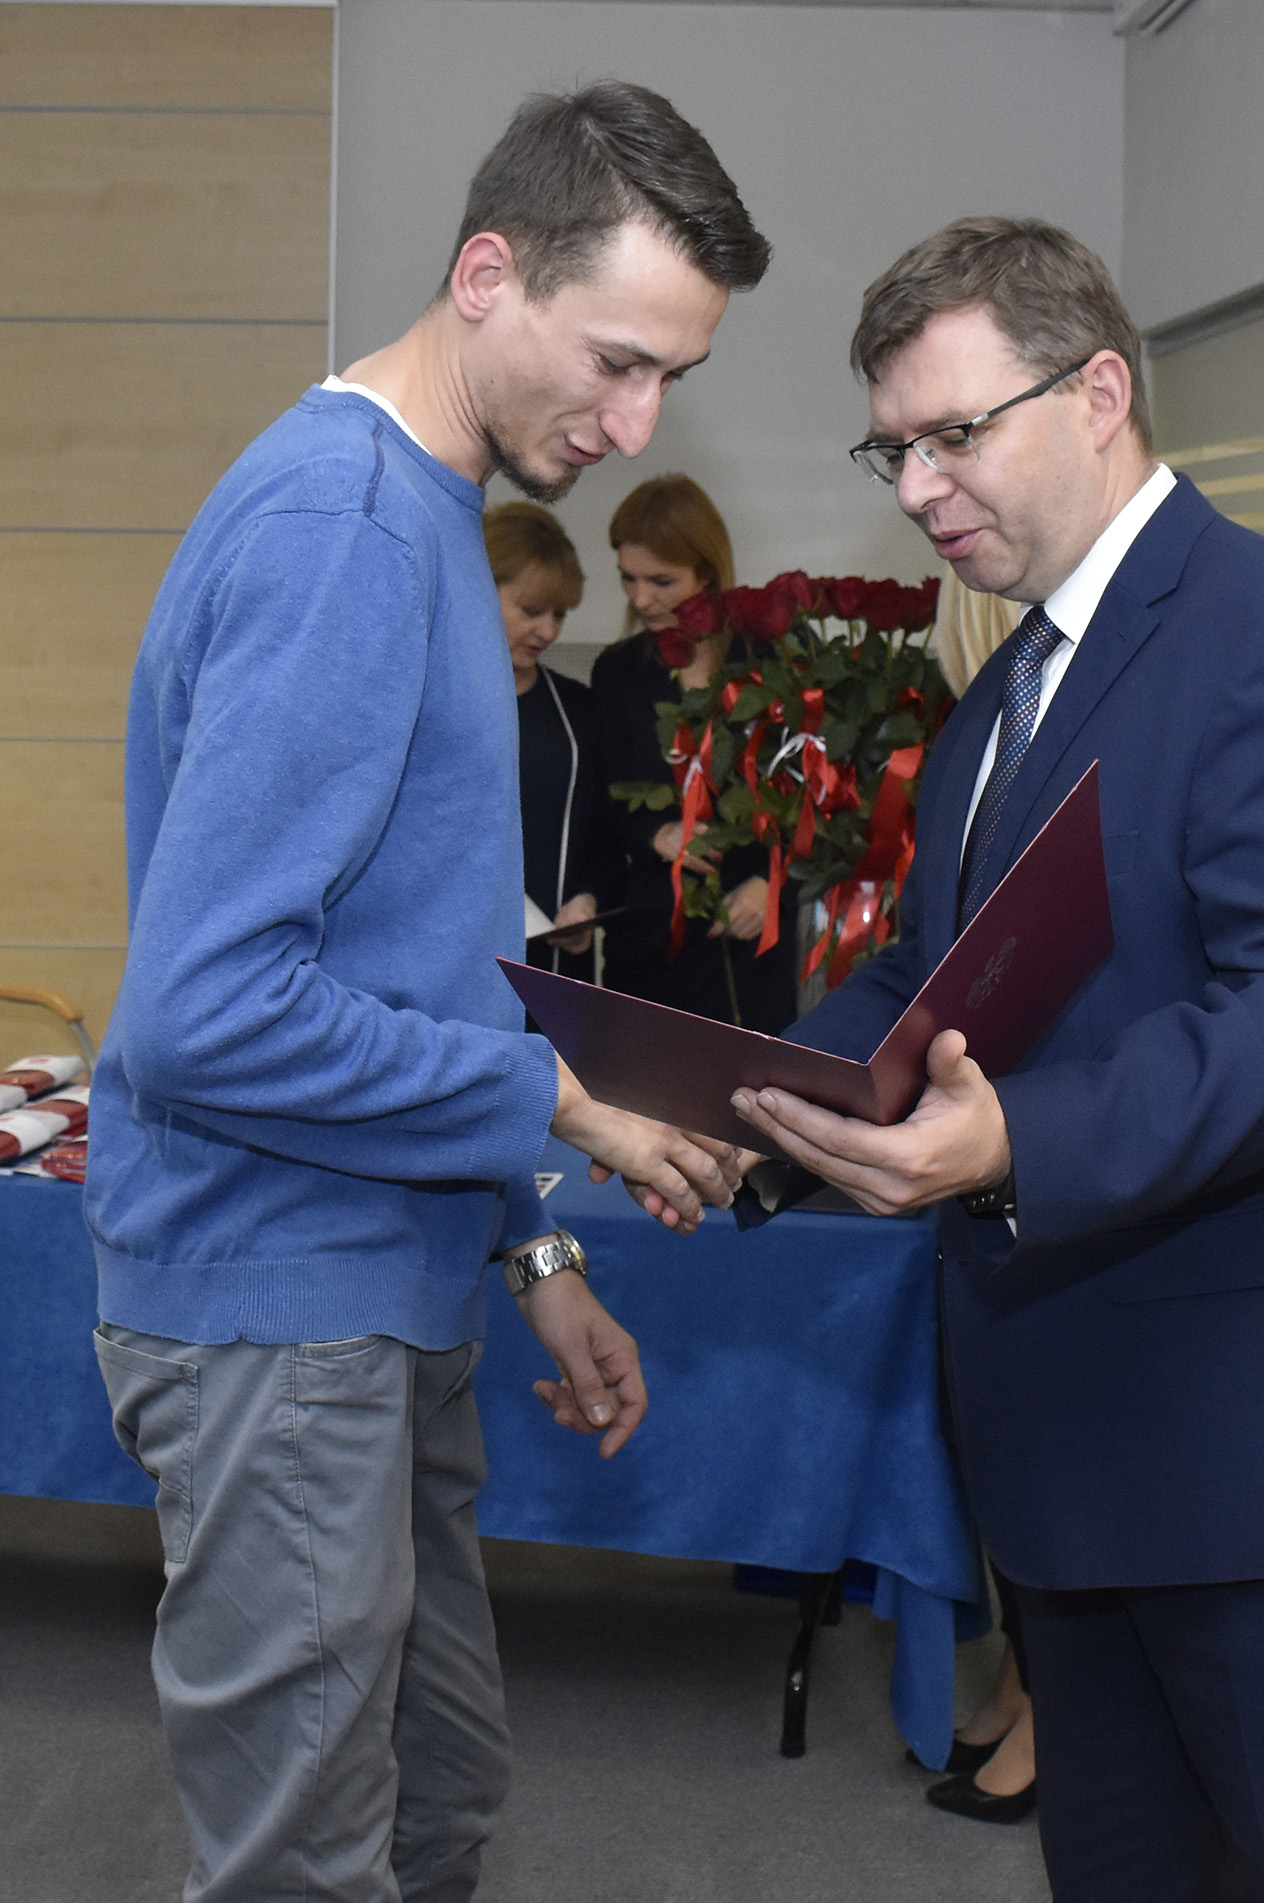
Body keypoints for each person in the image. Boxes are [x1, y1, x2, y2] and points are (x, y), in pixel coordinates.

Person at [727, 217, 1264, 1901]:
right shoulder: (1002, 696)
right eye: (893, 449)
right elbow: (924, 985)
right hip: (1081, 1467)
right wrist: (750, 1097)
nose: (920, 486)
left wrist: (1015, 1138)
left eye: (956, 432)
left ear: (1099, 393)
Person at [84, 82, 766, 1903]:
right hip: (277, 1302)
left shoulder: (429, 517)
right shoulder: (352, 532)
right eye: (617, 361)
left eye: (672, 380)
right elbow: (208, 1012)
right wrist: (563, 1100)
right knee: (309, 1864)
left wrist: (532, 1250)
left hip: (382, 1277)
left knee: (438, 1802)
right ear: (486, 276)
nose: (634, 423)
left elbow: (411, 971)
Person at [589, 473, 798, 1031]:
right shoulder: (618, 671)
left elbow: (815, 802)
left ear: (707, 572)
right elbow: (602, 806)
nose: (640, 599)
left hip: (753, 940)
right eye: (627, 578)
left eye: (661, 580)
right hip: (651, 940)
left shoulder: (771, 660)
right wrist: (656, 834)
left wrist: (774, 884)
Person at [486, 500, 610, 977]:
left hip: (555, 970)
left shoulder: (577, 709)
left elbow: (602, 834)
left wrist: (587, 899)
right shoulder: (433, 701)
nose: (548, 631)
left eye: (559, 614)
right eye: (532, 611)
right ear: (480, 587)